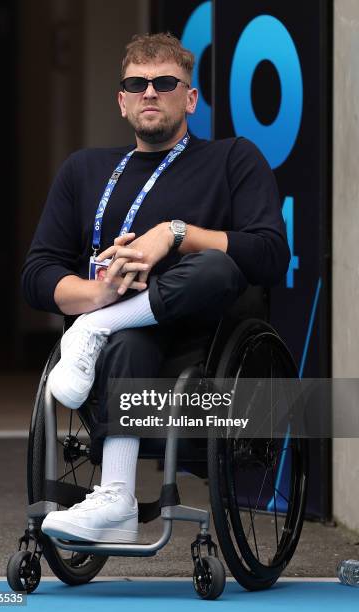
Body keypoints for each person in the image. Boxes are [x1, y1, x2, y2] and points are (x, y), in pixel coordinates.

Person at [21, 32, 290, 544]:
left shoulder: (233, 158)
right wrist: (100, 295)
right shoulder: (83, 170)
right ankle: (116, 498)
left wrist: (175, 233)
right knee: (126, 337)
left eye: (165, 82)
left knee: (219, 267)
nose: (150, 92)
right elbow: (37, 275)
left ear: (189, 98)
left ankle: (95, 330)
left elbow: (271, 253)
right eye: (136, 84)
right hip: (120, 348)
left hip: (201, 341)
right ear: (121, 100)